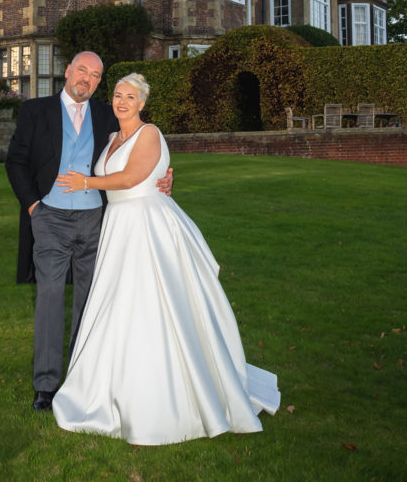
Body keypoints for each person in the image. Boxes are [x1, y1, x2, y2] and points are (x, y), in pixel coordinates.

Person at [51, 73, 280, 445]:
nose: (122, 101)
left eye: (131, 97)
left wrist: (86, 183)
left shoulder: (150, 133)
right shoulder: (111, 138)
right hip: (118, 226)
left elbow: (132, 177)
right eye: (118, 95)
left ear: (143, 103)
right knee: (116, 304)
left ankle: (169, 396)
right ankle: (109, 386)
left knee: (153, 301)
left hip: (146, 225)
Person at [5, 52, 172, 412]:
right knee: (50, 297)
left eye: (95, 75)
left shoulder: (105, 113)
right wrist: (34, 206)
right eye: (82, 70)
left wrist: (164, 175)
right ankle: (46, 386)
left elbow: (135, 148)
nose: (87, 79)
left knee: (92, 300)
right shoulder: (35, 110)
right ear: (68, 72)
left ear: (99, 83)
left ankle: (81, 377)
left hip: (97, 220)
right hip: (50, 217)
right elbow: (15, 160)